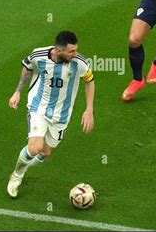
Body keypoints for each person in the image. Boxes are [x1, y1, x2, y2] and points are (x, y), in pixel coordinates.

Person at [7, 31, 95, 198]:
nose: (75, 54)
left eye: (76, 50)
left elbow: (89, 81)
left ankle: (23, 165)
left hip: (61, 115)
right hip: (38, 107)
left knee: (45, 152)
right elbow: (27, 68)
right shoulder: (39, 55)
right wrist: (17, 92)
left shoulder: (79, 62)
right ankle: (16, 176)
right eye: (71, 51)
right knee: (34, 147)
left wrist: (89, 109)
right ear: (58, 50)